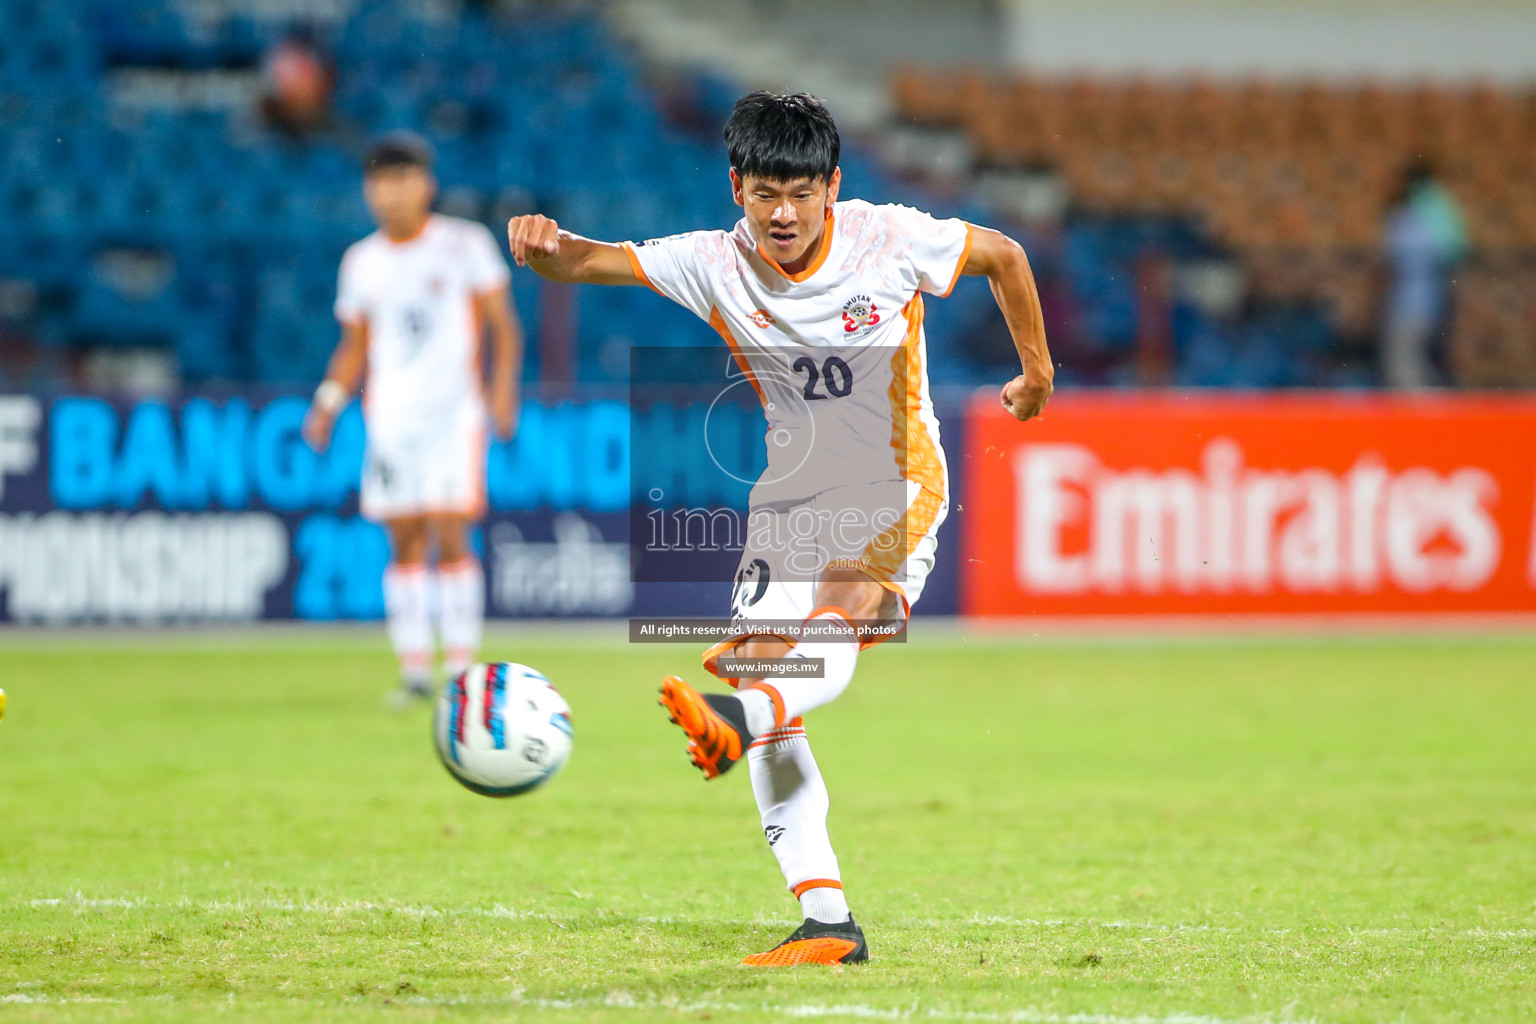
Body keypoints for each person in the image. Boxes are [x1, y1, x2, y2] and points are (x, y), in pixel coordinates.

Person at [506, 92, 1052, 966]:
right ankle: (828, 921)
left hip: (895, 474)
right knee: (772, 680)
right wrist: (544, 243)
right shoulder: (712, 262)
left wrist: (1036, 374)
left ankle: (738, 715)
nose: (785, 213)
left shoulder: (888, 236)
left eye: (802, 191)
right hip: (791, 497)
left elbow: (1005, 255)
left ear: (833, 186)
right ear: (738, 189)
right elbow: (589, 264)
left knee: (833, 611)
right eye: (766, 193)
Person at [304, 132, 522, 706]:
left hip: (453, 414)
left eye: (403, 180)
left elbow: (503, 324)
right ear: (369, 191)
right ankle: (415, 670)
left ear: (426, 184)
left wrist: (502, 394)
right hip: (391, 419)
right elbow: (354, 344)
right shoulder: (362, 261)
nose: (392, 193)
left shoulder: (464, 244)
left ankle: (460, 669)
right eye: (381, 182)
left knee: (450, 529)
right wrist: (328, 402)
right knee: (403, 539)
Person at [1381, 160, 1467, 389]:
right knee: (1418, 356)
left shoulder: (1419, 212)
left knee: (1404, 357)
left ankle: (1425, 414)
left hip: (1415, 296)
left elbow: (1397, 257)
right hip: (1428, 294)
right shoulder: (1439, 207)